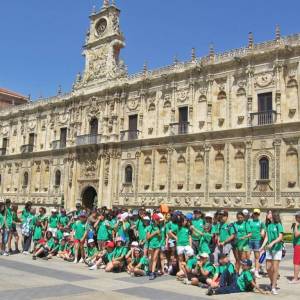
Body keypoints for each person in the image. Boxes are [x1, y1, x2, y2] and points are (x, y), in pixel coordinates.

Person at [260, 210, 284, 295]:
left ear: (273, 215)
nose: (267, 214)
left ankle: (273, 287)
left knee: (275, 268)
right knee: (268, 268)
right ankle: (273, 282)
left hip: (277, 249)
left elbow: (280, 237)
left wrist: (272, 243)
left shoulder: (278, 225)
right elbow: (266, 238)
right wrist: (261, 247)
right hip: (269, 249)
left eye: (269, 213)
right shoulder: (268, 225)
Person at [249, 208, 265, 278]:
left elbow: (263, 229)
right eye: (255, 213)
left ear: (259, 214)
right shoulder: (250, 221)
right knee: (248, 256)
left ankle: (256, 271)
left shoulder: (261, 222)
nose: (256, 215)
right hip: (249, 240)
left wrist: (262, 232)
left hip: (257, 240)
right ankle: (248, 270)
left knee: (257, 257)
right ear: (253, 214)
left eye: (257, 214)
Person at [146, 213, 162, 280]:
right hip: (151, 244)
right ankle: (150, 271)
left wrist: (159, 234)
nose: (158, 221)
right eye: (157, 219)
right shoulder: (150, 227)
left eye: (158, 219)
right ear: (154, 220)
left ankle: (152, 272)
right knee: (151, 258)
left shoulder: (158, 227)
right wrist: (155, 233)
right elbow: (147, 237)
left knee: (155, 258)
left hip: (157, 244)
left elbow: (160, 236)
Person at [289, 211, 300, 284]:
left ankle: (295, 279)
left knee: (296, 262)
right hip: (297, 245)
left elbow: (296, 235)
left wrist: (296, 226)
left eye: (297, 216)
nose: (295, 218)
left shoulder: (297, 225)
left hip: (299, 246)